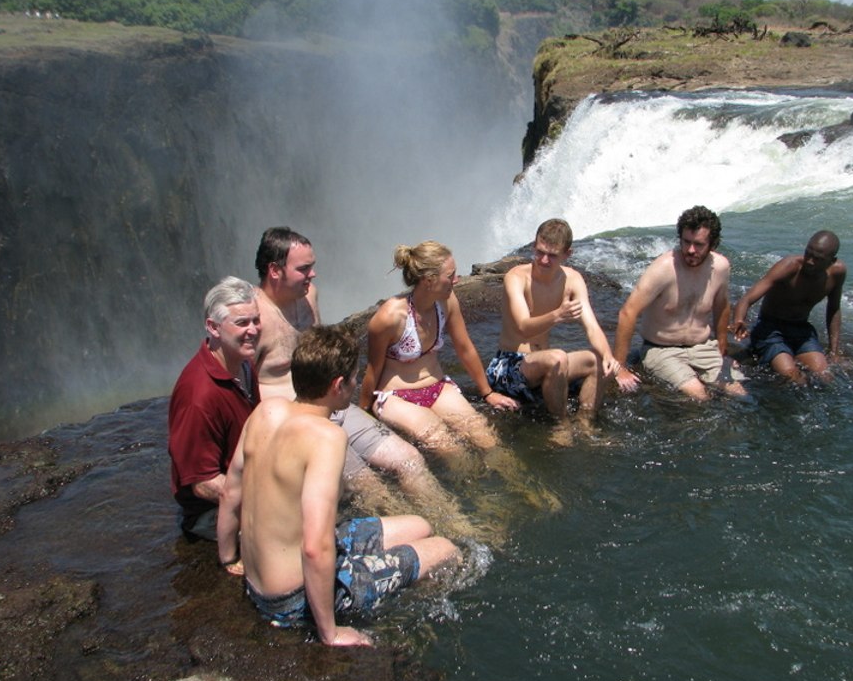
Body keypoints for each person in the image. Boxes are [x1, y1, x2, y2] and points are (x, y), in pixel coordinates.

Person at [217, 325, 461, 645]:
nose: (356, 384)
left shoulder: (266, 411)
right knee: (447, 551)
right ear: (337, 385)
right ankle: (408, 629)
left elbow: (230, 491)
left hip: (260, 579)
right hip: (293, 598)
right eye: (353, 378)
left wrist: (228, 559)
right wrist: (329, 633)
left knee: (420, 525)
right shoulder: (327, 437)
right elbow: (315, 545)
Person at [253, 227, 476, 534]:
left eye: (312, 266)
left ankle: (461, 527)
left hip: (335, 403)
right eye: (304, 268)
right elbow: (238, 386)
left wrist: (363, 403)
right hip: (294, 420)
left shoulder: (309, 296)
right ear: (274, 270)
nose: (313, 274)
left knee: (410, 459)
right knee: (369, 484)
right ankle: (418, 532)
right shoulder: (252, 319)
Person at [360, 241, 518, 454]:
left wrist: (488, 393)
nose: (457, 279)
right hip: (396, 397)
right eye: (450, 275)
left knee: (487, 438)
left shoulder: (447, 302)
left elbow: (465, 348)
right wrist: (364, 416)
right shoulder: (389, 317)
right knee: (449, 447)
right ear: (429, 280)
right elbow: (372, 370)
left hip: (438, 387)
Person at [486, 218, 618, 440]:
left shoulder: (573, 279)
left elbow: (592, 327)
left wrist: (608, 356)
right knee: (557, 358)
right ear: (533, 246)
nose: (544, 260)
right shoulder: (516, 278)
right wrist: (557, 315)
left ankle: (585, 422)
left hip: (545, 363)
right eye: (539, 252)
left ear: (567, 254)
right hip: (509, 365)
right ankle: (560, 424)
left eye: (552, 255)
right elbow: (523, 327)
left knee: (597, 361)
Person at [612, 206, 748, 401]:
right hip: (661, 349)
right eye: (686, 242)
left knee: (739, 394)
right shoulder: (664, 268)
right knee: (698, 396)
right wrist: (620, 368)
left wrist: (722, 350)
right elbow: (628, 312)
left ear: (712, 244)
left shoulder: (721, 267)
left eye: (698, 244)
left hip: (702, 346)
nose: (690, 250)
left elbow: (722, 306)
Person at [168, 276, 261, 540]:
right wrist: (269, 498)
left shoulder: (242, 362)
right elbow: (203, 483)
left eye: (256, 320)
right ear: (213, 327)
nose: (253, 330)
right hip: (211, 511)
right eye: (242, 323)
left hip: (247, 478)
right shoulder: (198, 396)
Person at [731, 230, 846, 384]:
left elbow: (834, 309)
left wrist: (834, 351)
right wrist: (739, 320)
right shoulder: (789, 267)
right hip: (770, 330)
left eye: (818, 259)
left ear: (832, 260)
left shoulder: (837, 273)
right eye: (808, 254)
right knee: (792, 376)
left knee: (825, 376)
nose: (810, 261)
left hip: (801, 330)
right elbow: (747, 298)